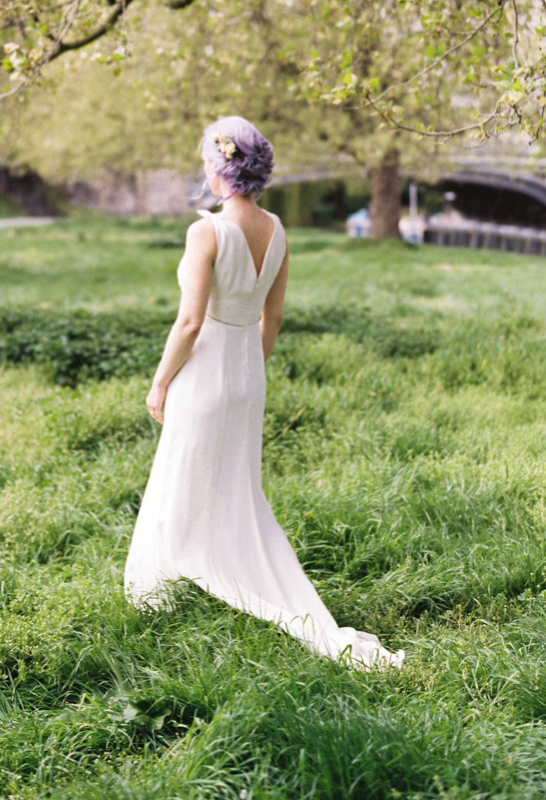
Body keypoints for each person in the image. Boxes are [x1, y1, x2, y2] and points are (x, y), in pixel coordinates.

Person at [124, 115, 404, 670]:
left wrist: (159, 384)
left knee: (182, 473)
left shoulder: (206, 231)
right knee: (233, 483)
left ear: (217, 167)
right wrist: (247, 371)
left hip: (204, 370)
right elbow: (271, 320)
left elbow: (188, 323)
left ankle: (162, 591)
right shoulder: (277, 231)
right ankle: (199, 570)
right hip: (249, 373)